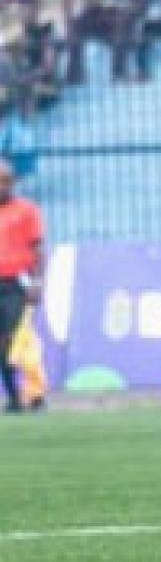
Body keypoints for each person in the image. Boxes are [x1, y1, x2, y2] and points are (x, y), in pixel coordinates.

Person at [0, 158, 44, 414]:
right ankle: (14, 399)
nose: (2, 186)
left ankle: (36, 394)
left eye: (5, 181)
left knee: (19, 340)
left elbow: (38, 248)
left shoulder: (26, 210)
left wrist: (38, 281)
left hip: (16, 282)